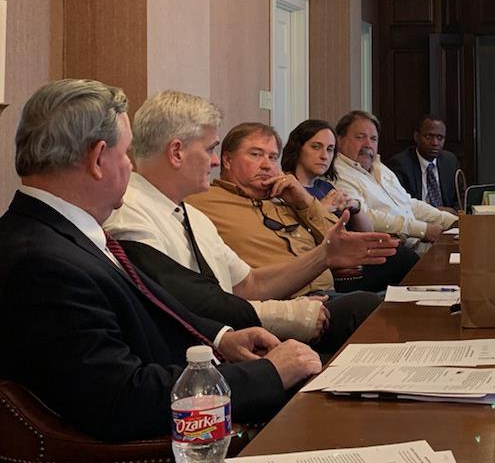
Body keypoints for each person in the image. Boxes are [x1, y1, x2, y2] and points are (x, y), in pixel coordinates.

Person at [0, 80, 320, 443]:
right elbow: (122, 398)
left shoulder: (63, 235)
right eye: (126, 154)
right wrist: (269, 375)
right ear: (97, 159)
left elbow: (148, 308)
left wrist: (222, 339)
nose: (130, 165)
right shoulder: (42, 263)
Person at [105, 92, 389, 354]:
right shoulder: (130, 212)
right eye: (210, 149)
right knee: (365, 311)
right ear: (177, 152)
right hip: (201, 356)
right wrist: (288, 315)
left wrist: (324, 255)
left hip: (249, 327)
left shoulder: (193, 216)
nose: (214, 161)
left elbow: (248, 284)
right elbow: (185, 303)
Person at [189, 121, 415, 293]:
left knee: (402, 274)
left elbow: (338, 239)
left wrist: (305, 202)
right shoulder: (204, 201)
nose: (267, 165)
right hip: (289, 299)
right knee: (377, 305)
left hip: (327, 290)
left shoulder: (282, 195)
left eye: (272, 157)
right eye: (256, 155)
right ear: (226, 161)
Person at [332, 110, 457, 247]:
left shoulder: (379, 168)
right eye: (360, 137)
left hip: (418, 242)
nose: (368, 144)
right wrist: (423, 230)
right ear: (339, 140)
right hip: (393, 249)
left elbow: (408, 203)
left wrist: (450, 221)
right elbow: (367, 215)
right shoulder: (338, 174)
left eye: (373, 139)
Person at [386, 116, 460, 210]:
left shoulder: (450, 161)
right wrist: (435, 213)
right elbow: (400, 204)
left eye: (440, 138)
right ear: (416, 137)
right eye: (428, 136)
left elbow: (460, 199)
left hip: (449, 220)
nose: (435, 143)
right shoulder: (400, 165)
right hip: (418, 221)